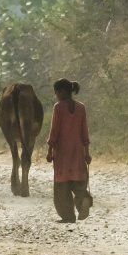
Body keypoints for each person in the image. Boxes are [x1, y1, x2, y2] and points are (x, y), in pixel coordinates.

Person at [45, 78, 93, 223]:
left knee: (62, 184)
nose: (56, 95)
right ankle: (83, 200)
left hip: (62, 151)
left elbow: (54, 131)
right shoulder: (81, 107)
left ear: (61, 91)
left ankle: (68, 216)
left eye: (56, 92)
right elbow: (84, 131)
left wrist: (49, 149)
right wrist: (87, 152)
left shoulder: (58, 107)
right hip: (77, 150)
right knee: (78, 179)